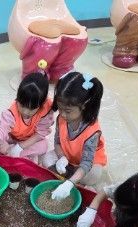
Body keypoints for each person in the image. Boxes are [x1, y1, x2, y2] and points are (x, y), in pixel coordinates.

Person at [0, 73, 53, 188]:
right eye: (22, 105)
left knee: (43, 146)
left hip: (30, 140)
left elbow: (41, 133)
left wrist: (20, 147)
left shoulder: (46, 109)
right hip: (11, 136)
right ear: (17, 98)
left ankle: (8, 152)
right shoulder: (11, 113)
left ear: (41, 105)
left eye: (31, 109)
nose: (26, 112)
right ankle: (19, 156)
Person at [39, 72, 107, 201]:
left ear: (84, 105)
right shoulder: (62, 119)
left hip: (87, 162)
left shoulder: (92, 131)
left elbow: (87, 163)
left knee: (94, 175)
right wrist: (62, 157)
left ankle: (71, 179)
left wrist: (69, 183)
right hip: (68, 156)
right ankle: (72, 177)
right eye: (60, 109)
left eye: (68, 111)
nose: (63, 114)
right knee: (47, 159)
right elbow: (57, 142)